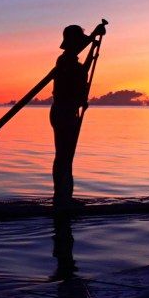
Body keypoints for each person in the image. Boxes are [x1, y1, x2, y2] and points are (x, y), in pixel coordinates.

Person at [50, 23, 106, 206]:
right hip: (63, 113)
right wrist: (93, 36)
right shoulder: (64, 60)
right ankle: (62, 197)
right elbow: (77, 75)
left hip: (67, 112)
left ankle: (64, 195)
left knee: (66, 157)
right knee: (64, 156)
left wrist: (92, 50)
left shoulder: (72, 62)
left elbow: (83, 73)